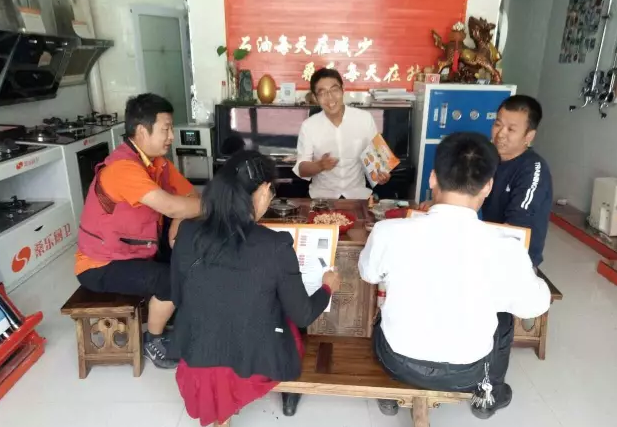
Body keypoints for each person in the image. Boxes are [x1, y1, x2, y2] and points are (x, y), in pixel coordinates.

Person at [359, 132, 551, 419]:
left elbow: (368, 274)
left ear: (432, 178)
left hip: (397, 361)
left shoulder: (388, 231)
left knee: (384, 301)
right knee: (503, 317)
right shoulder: (506, 247)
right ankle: (488, 394)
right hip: (468, 372)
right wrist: (532, 280)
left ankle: (390, 393)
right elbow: (534, 306)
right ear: (488, 186)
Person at [170, 150, 340, 426]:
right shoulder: (275, 245)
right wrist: (327, 288)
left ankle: (221, 414)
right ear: (262, 190)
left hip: (197, 358)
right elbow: (303, 315)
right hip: (248, 363)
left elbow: (177, 296)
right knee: (288, 322)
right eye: (271, 193)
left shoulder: (187, 232)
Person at [75, 93, 201, 369]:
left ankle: (173, 311)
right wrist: (211, 206)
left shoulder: (157, 163)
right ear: (142, 131)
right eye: (166, 129)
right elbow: (171, 205)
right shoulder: (123, 169)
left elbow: (188, 195)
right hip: (102, 264)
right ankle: (153, 341)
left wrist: (178, 218)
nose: (171, 136)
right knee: (170, 279)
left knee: (188, 254)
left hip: (137, 249)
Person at [421, 95, 552, 268]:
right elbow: (465, 190)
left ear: (529, 136)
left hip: (516, 259)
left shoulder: (534, 169)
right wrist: (437, 204)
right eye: (498, 124)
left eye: (511, 129)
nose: (501, 134)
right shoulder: (490, 157)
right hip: (489, 245)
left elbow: (515, 228)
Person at [293, 68, 390, 199]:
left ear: (343, 90)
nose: (330, 97)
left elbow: (377, 160)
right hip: (322, 198)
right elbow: (302, 169)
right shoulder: (308, 126)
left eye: (334, 90)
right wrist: (320, 165)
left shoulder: (365, 119)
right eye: (322, 93)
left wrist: (382, 176)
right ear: (315, 98)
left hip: (358, 197)